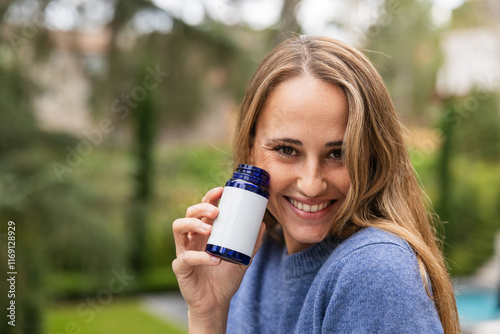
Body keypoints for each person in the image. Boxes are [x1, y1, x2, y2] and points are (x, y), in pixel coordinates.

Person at [172, 35, 460, 333]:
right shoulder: (254, 257)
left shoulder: (374, 271)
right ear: (250, 150)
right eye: (287, 150)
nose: (311, 185)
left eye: (338, 154)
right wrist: (208, 312)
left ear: (372, 157)